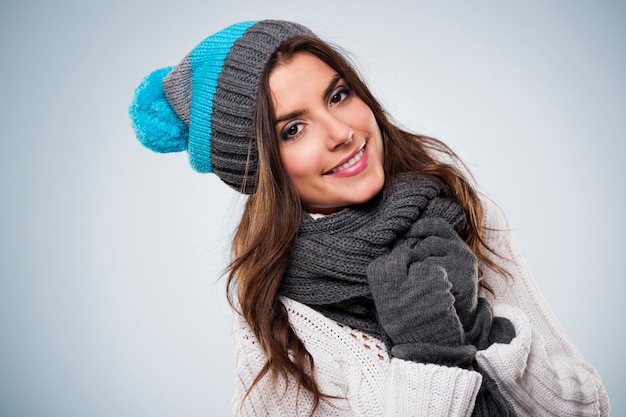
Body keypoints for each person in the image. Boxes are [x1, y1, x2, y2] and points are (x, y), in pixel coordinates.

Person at [129, 20, 610, 417]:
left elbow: (587, 406)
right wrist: (431, 353)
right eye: (293, 129)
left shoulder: (455, 211)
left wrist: (479, 328)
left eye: (338, 96)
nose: (341, 132)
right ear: (259, 168)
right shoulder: (271, 309)